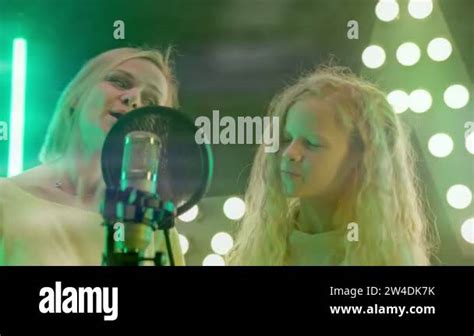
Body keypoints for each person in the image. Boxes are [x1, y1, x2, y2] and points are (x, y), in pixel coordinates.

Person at [227, 65, 438, 266]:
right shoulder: (264, 245)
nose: (290, 153)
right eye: (285, 138)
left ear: (359, 157)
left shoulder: (386, 256)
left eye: (311, 143)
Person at [0, 47, 185, 265]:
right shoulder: (6, 200)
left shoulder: (154, 225)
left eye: (150, 101)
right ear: (77, 95)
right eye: (120, 82)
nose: (134, 99)